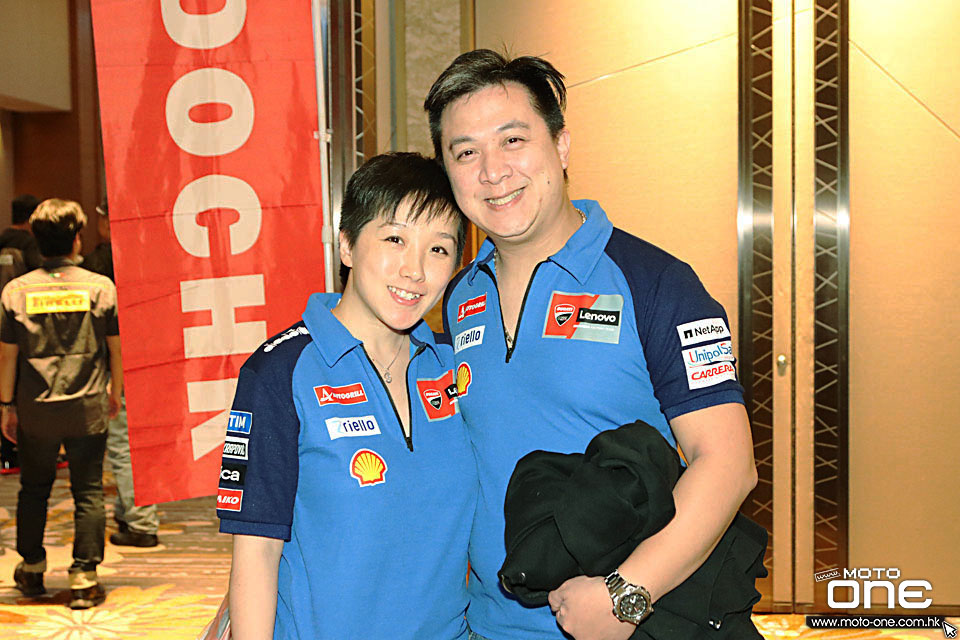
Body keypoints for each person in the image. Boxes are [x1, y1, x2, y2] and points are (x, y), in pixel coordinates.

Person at [425, 50, 758, 640]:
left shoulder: (655, 282)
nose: (492, 172)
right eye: (466, 152)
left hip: (629, 622)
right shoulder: (456, 296)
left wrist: (627, 593)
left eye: (512, 140)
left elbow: (728, 464)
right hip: (488, 625)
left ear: (561, 146)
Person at [217, 152, 476, 639]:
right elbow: (257, 550)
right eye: (395, 239)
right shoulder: (280, 372)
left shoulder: (456, 366)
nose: (415, 270)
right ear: (347, 244)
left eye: (439, 249)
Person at [0, 198, 123, 610]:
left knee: (34, 488)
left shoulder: (15, 292)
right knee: (88, 490)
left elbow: (7, 357)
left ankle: (32, 567)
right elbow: (115, 348)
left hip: (35, 410)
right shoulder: (100, 288)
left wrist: (6, 405)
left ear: (37, 239)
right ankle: (84, 576)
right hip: (87, 406)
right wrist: (115, 391)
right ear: (76, 239)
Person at [83, 198, 160, 547]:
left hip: (117, 363)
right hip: (151, 357)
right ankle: (128, 513)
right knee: (139, 441)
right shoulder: (148, 256)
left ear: (105, 222)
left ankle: (142, 522)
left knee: (123, 445)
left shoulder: (99, 263)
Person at [0, 194, 43, 473]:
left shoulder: (2, 239)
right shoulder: (30, 244)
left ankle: (6, 452)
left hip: (2, 319)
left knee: (5, 383)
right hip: (25, 324)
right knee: (26, 387)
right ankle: (26, 450)